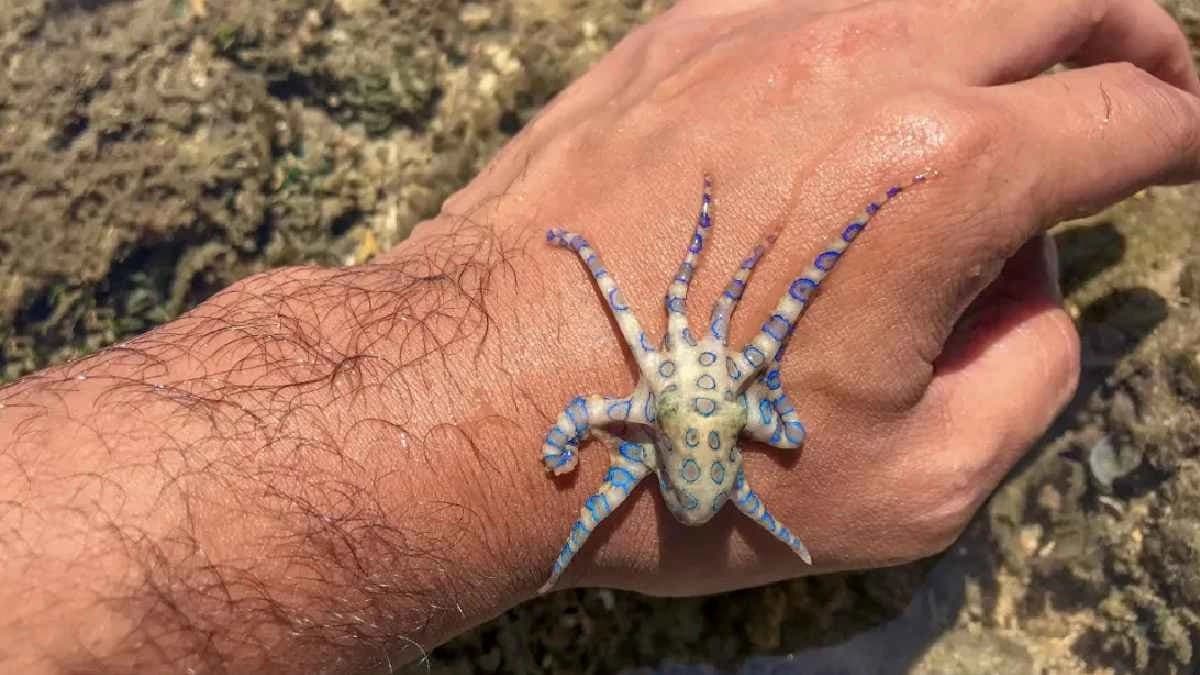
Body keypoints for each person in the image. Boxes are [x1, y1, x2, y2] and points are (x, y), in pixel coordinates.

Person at [2, 0, 1198, 672]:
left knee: (700, 321)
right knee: (748, 312)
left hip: (699, 455)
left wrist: (564, 399)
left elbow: (624, 387)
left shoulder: (667, 392)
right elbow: (732, 358)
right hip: (710, 457)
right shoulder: (715, 391)